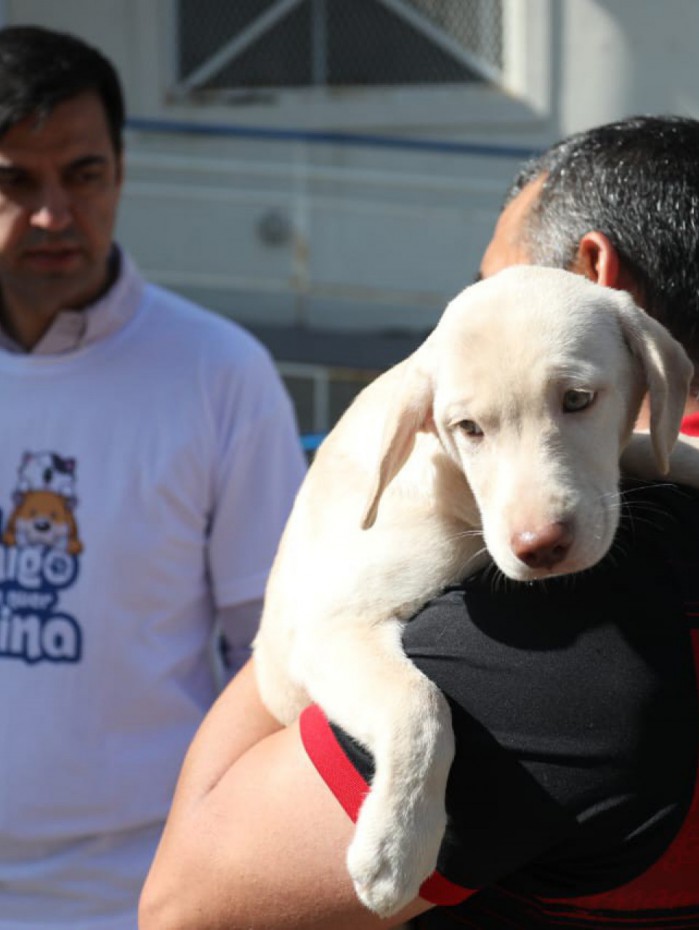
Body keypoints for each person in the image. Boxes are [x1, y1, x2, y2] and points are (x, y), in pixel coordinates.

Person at [139, 115, 699, 930]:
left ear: (594, 274)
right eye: (470, 425)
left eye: (487, 276)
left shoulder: (546, 650)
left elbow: (183, 906)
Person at [0, 25, 306, 930]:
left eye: (83, 175)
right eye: (16, 180)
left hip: (143, 892)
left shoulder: (220, 373)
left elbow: (280, 656)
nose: (55, 213)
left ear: (123, 171)